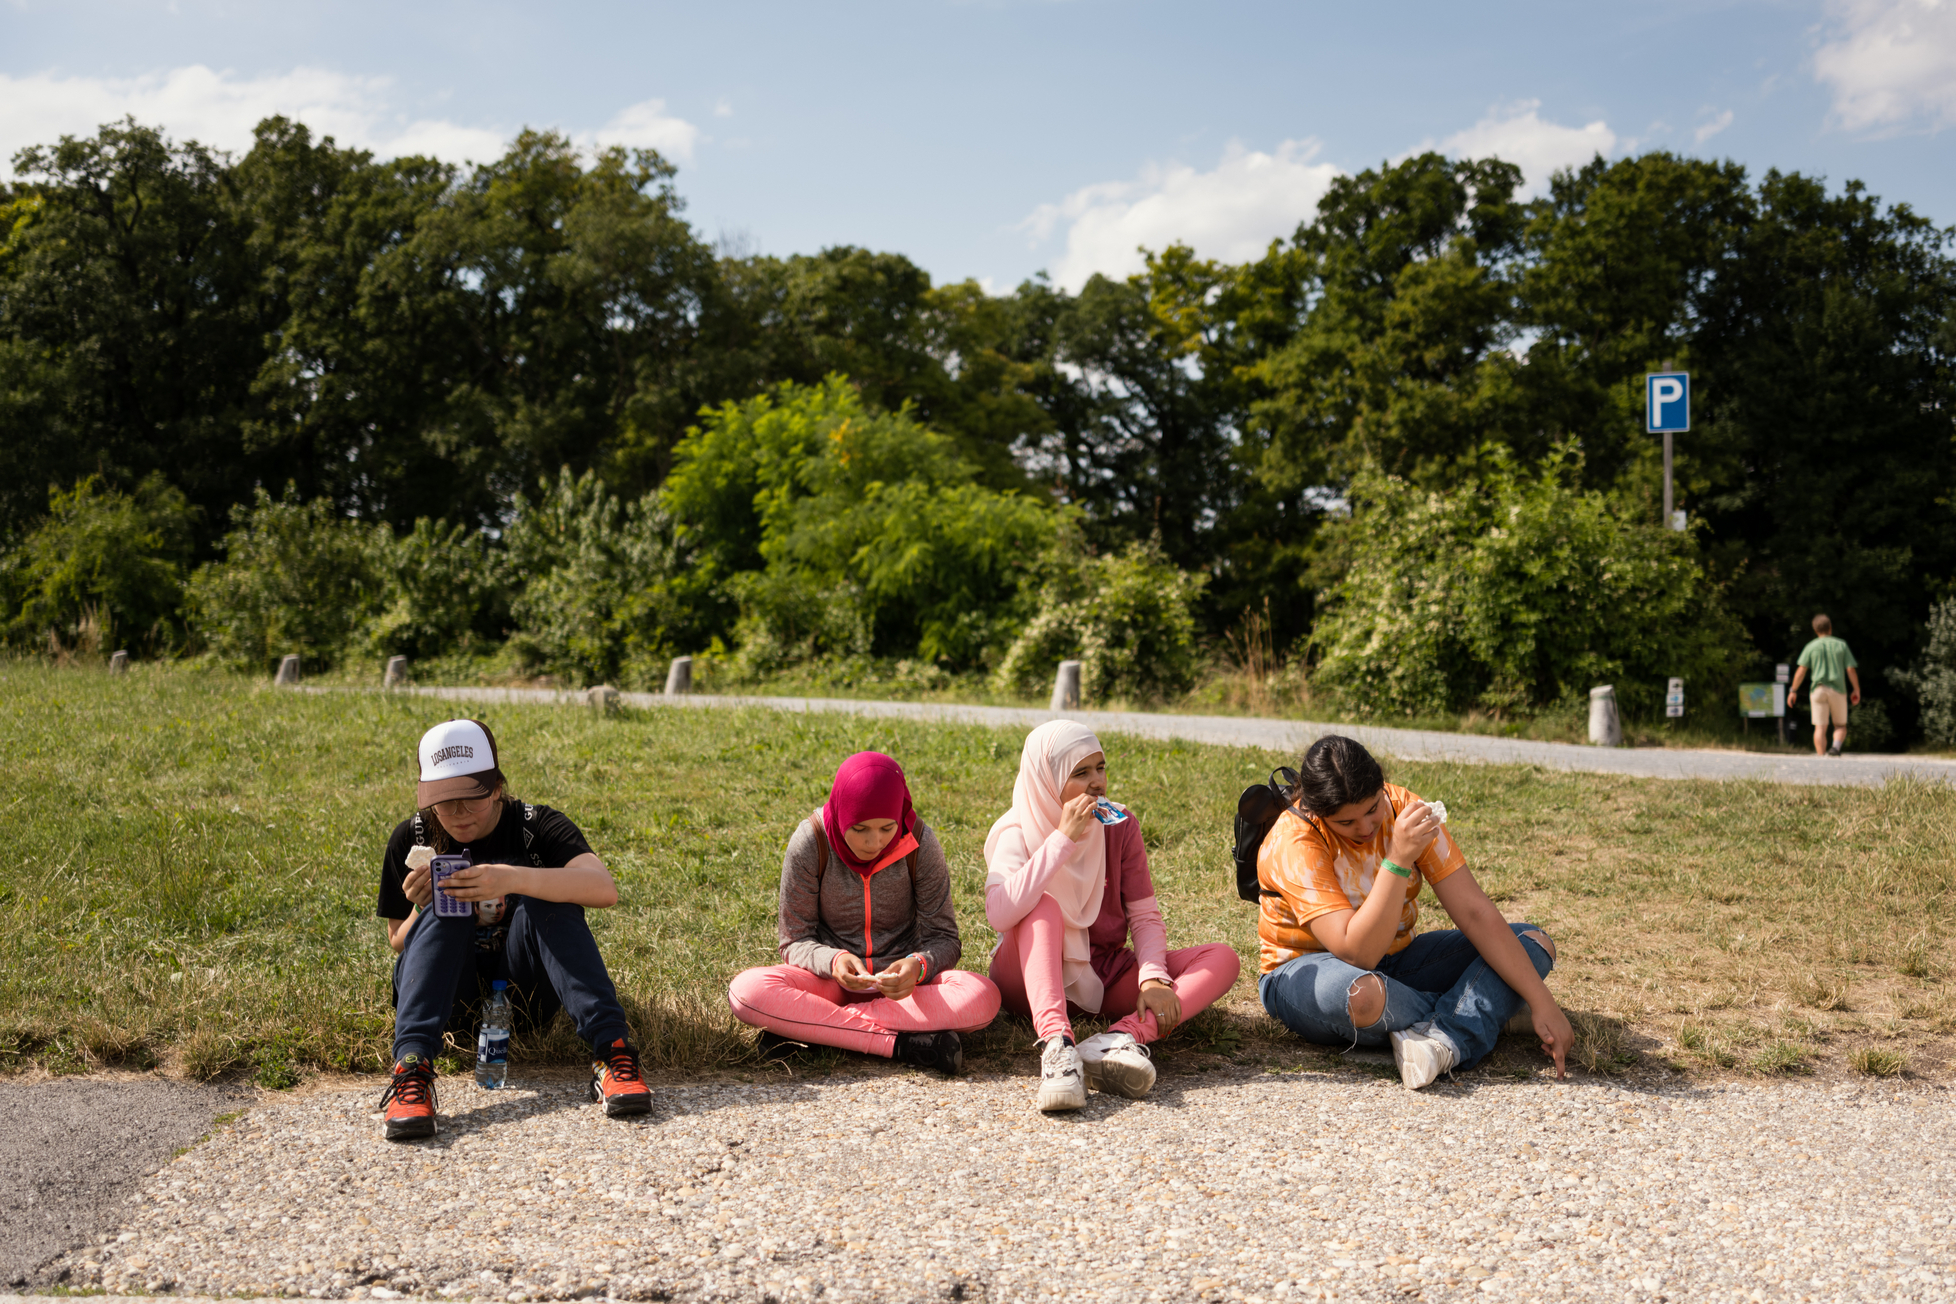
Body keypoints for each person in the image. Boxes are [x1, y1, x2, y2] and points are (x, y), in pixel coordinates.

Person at [375, 719, 650, 1141]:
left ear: (497, 787)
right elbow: (399, 941)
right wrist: (425, 904)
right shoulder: (411, 836)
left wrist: (512, 878)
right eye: (444, 803)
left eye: (471, 798)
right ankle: (412, 1069)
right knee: (452, 908)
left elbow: (603, 888)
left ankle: (612, 1053)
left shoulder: (535, 827)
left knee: (548, 894)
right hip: (451, 1005)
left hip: (525, 999)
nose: (458, 814)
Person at [1256, 734, 1573, 1091]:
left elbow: (1474, 912)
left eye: (1373, 808)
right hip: (1311, 971)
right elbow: (1359, 953)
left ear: (1381, 784)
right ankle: (1481, 1013)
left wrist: (1543, 1001)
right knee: (1363, 997)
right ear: (1315, 810)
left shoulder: (1404, 806)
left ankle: (1444, 1036)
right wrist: (1398, 859)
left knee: (1533, 943)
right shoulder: (1294, 839)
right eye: (1346, 823)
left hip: (1399, 962)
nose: (1365, 828)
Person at [985, 721, 1242, 1111]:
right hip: (1026, 979)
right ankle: (1058, 1047)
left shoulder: (1119, 825)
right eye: (1080, 773)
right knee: (1042, 905)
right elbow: (1001, 913)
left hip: (1101, 976)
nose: (1097, 783)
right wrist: (1062, 840)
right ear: (1047, 780)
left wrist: (1154, 977)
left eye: (1101, 768)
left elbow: (1145, 916)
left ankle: (1119, 1039)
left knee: (1222, 958)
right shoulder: (1015, 832)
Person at [727, 751, 1000, 1075]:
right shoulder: (811, 842)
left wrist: (918, 965)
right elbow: (794, 940)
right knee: (747, 991)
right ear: (841, 814)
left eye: (887, 828)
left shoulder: (920, 844)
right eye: (859, 829)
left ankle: (815, 1029)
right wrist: (832, 961)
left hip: (905, 992)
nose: (875, 842)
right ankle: (903, 1045)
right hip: (828, 985)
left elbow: (944, 939)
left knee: (982, 997)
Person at [1786, 613, 1862, 757]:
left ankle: (1821, 759)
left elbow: (1801, 671)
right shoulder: (1841, 645)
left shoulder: (1811, 646)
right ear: (1830, 628)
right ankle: (1835, 747)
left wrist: (1793, 690)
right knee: (1840, 725)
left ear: (1815, 630)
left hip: (1818, 690)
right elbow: (1851, 669)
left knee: (1820, 727)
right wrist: (1856, 689)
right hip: (1838, 690)